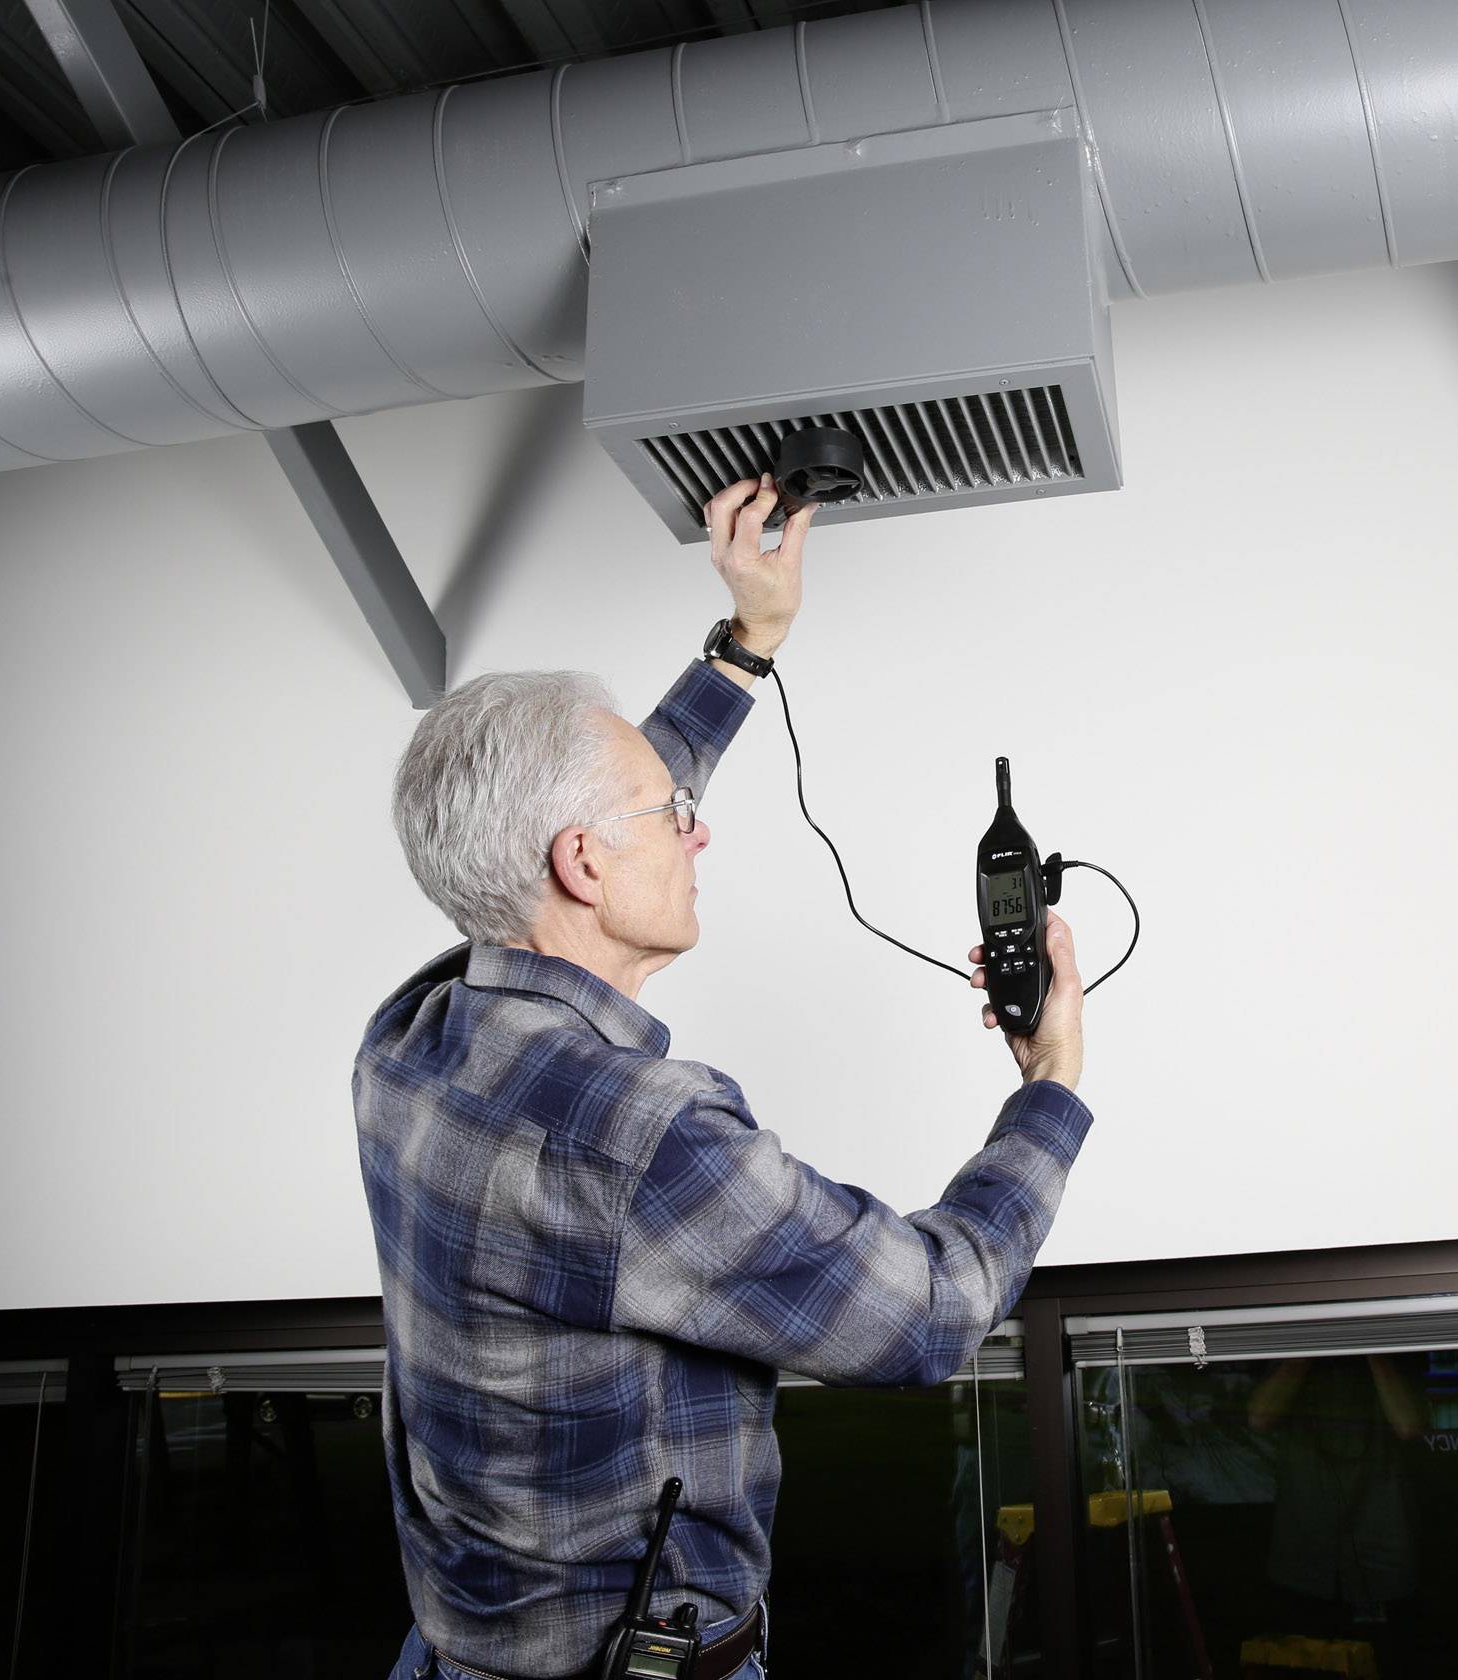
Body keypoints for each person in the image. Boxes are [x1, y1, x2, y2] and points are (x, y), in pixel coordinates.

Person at [357, 474, 1091, 1680]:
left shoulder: (413, 1035)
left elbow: (581, 812)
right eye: (669, 815)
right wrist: (1050, 1086)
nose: (698, 830)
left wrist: (749, 642)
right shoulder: (642, 1144)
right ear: (585, 863)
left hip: (450, 1652)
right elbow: (930, 1314)